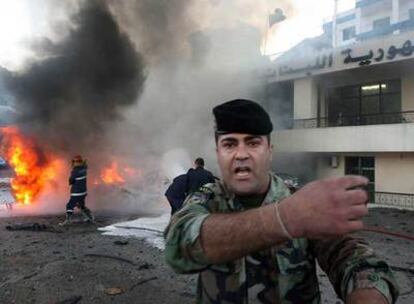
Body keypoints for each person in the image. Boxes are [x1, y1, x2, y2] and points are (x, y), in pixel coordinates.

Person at [164, 99, 399, 304]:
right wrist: (284, 219)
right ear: (218, 153)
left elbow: (357, 261)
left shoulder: (303, 202)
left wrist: (367, 294)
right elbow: (178, 246)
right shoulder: (207, 196)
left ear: (270, 151)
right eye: (230, 144)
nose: (241, 153)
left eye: (253, 142)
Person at [59, 155, 94, 226]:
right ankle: (90, 218)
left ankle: (68, 220)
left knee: (69, 205)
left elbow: (71, 181)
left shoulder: (75, 171)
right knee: (81, 205)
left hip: (76, 192)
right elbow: (85, 166)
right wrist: (84, 163)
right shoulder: (84, 169)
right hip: (83, 192)